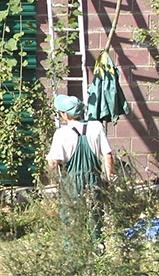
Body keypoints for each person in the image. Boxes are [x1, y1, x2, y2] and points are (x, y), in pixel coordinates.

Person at [46, 94, 114, 241]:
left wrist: (52, 161)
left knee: (71, 220)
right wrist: (108, 181)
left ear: (65, 115)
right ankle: (98, 252)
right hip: (94, 180)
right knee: (95, 219)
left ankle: (73, 256)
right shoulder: (96, 126)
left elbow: (52, 163)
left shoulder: (61, 133)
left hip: (72, 182)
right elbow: (108, 155)